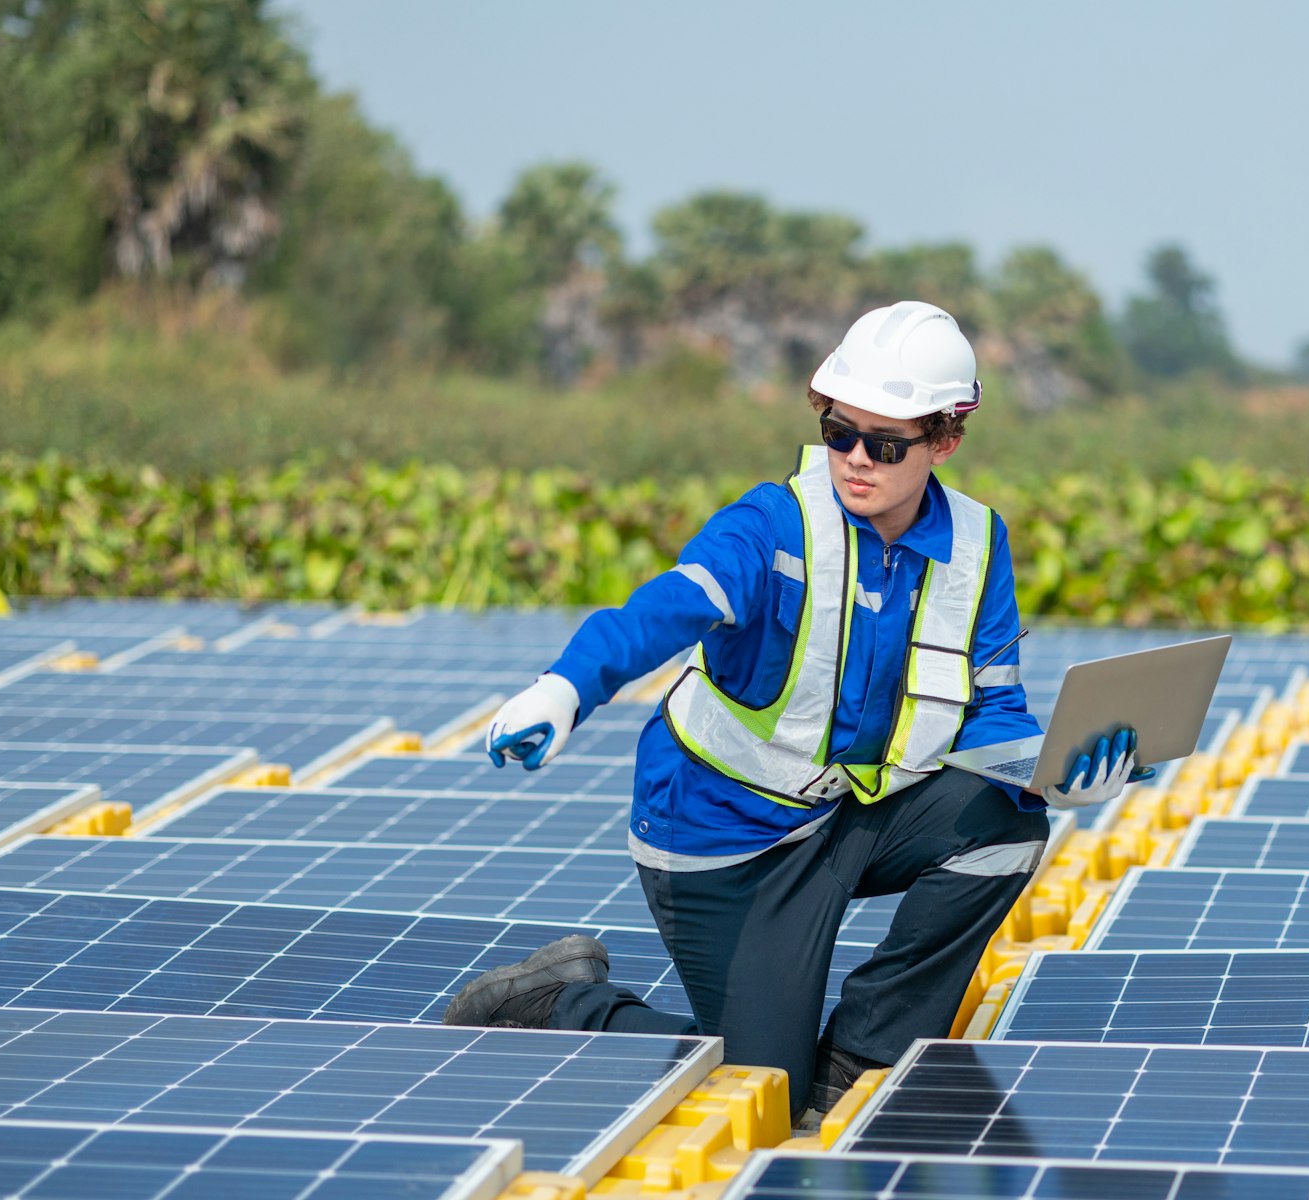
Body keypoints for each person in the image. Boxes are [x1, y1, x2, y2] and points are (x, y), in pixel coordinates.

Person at [443, 301, 1145, 1120]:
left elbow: (993, 711)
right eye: (837, 431)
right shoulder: (774, 524)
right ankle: (561, 1002)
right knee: (759, 1096)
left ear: (946, 440)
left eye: (885, 445)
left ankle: (856, 1054)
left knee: (1006, 822)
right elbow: (669, 605)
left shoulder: (977, 548)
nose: (854, 459)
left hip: (846, 818)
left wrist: (1054, 773)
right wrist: (568, 685)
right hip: (719, 836)